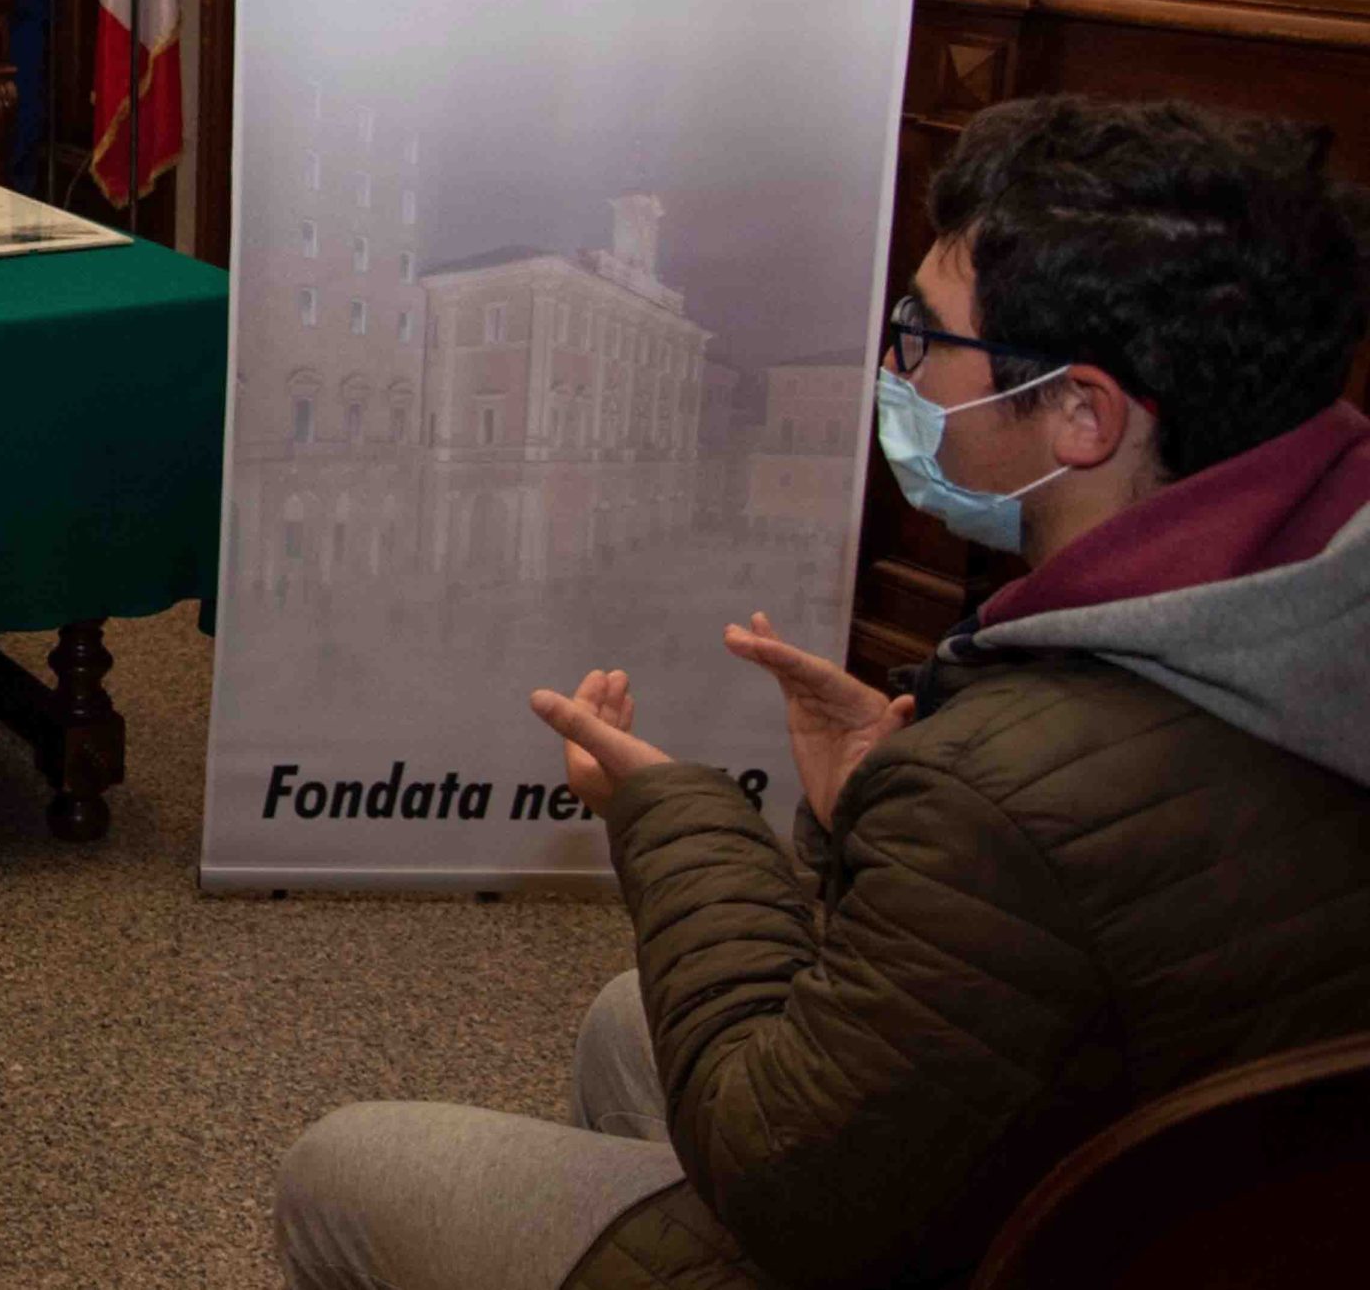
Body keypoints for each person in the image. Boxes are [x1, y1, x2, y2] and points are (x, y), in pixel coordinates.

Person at [276, 95, 1370, 1290]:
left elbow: (778, 1173)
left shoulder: (1003, 792)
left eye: (923, 340)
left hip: (952, 1240)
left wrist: (674, 813)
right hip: (1188, 1201)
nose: (893, 374)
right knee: (626, 1018)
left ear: (1080, 413)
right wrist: (891, 814)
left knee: (343, 1170)